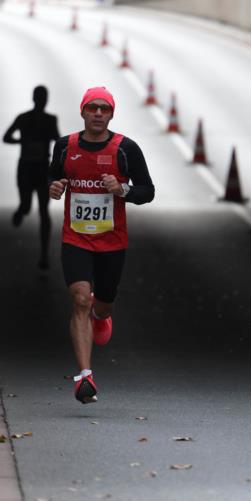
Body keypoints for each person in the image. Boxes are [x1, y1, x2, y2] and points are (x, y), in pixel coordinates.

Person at [49, 87, 154, 404]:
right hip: (76, 238)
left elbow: (147, 191)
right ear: (82, 111)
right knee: (80, 298)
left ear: (111, 114)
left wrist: (123, 190)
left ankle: (102, 313)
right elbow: (55, 178)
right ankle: (84, 376)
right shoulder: (65, 147)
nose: (97, 113)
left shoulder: (125, 149)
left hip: (111, 242)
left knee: (101, 301)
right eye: (92, 107)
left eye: (103, 109)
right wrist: (54, 187)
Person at [3, 86, 60, 269]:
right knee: (27, 206)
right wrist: (23, 141)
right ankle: (21, 211)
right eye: (42, 98)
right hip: (28, 167)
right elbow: (6, 137)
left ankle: (44, 255)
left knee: (44, 210)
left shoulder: (49, 120)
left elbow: (57, 141)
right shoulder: (24, 118)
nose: (43, 101)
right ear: (38, 99)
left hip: (41, 169)